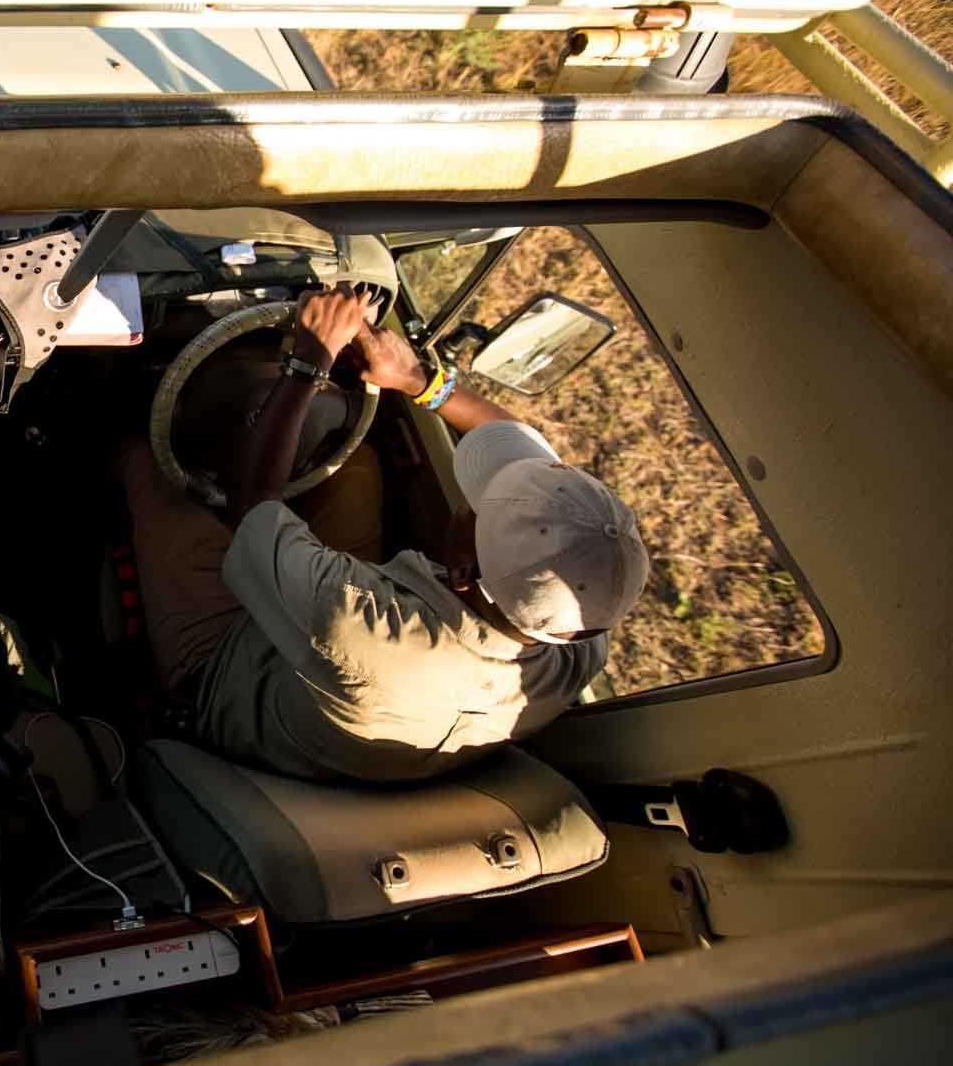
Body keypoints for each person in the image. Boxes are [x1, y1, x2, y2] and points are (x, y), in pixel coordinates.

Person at [120, 284, 650, 783]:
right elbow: (509, 443)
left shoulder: (355, 619)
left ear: (464, 572)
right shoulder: (576, 637)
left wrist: (309, 362)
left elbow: (252, 504)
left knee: (151, 467)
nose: (470, 499)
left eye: (476, 506)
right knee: (356, 467)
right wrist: (417, 379)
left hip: (229, 668)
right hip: (351, 667)